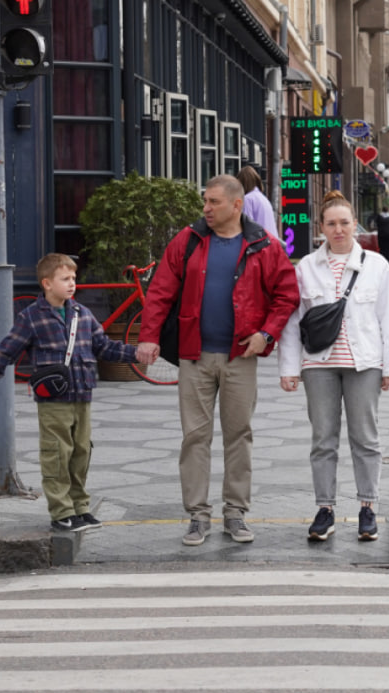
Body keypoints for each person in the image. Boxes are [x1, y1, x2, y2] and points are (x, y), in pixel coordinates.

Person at [136, 175, 300, 546]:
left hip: (241, 356)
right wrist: (148, 336)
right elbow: (161, 289)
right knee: (195, 436)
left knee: (238, 435)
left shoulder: (264, 245)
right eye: (205, 202)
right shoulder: (189, 240)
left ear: (237, 205)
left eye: (213, 202)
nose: (206, 209)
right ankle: (197, 515)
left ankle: (235, 513)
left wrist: (267, 334)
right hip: (194, 356)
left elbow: (286, 295)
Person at [0, 253, 139, 532]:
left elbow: (104, 347)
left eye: (74, 278)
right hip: (54, 401)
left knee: (81, 453)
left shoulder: (82, 314)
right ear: (47, 284)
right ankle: (61, 512)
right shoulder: (31, 318)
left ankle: (80, 508)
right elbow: (6, 352)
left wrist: (137, 353)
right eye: (65, 279)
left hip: (82, 396)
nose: (72, 284)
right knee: (57, 454)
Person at [279, 190, 389, 542]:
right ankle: (325, 509)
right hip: (318, 365)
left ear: (355, 225)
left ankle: (368, 508)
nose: (338, 230)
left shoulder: (376, 265)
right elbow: (294, 321)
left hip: (365, 363)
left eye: (344, 223)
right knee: (323, 439)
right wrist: (289, 368)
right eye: (331, 224)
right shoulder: (306, 267)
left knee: (366, 438)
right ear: (321, 227)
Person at [237, 164, 278, 239]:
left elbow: (247, 227)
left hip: (260, 246)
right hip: (271, 244)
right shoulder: (263, 198)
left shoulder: (247, 199)